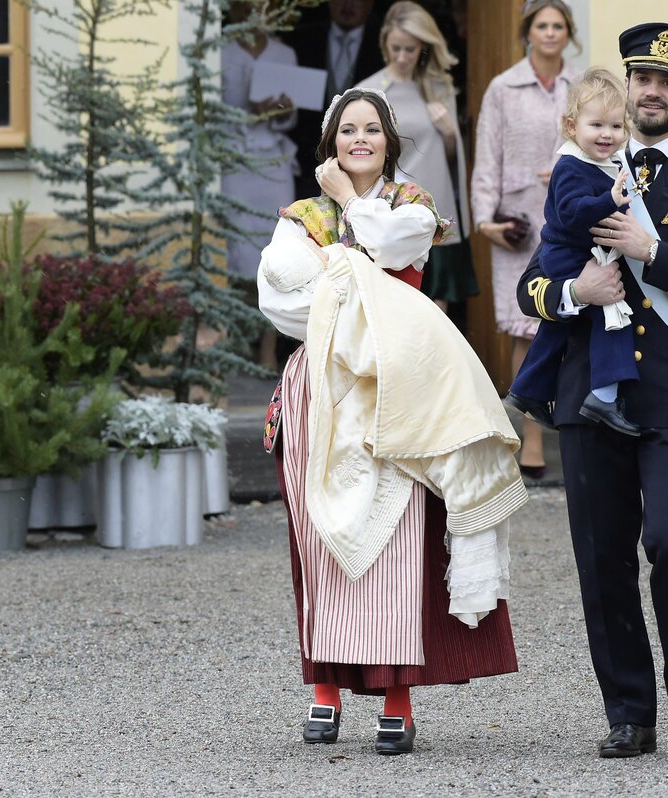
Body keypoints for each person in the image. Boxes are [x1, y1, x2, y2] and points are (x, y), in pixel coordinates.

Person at [258, 87, 525, 756]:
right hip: (322, 387)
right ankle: (324, 693)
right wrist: (354, 276)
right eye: (346, 130)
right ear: (329, 143)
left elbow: (389, 247)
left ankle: (397, 703)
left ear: (389, 141)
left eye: (370, 129)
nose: (358, 140)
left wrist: (344, 237)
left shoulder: (414, 206)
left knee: (396, 544)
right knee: (322, 543)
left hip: (399, 386)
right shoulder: (298, 217)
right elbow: (278, 300)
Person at [516, 23, 668, 758]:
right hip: (590, 391)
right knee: (602, 555)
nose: (650, 91)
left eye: (666, 82)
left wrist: (656, 251)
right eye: (640, 78)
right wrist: (575, 292)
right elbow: (532, 287)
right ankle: (630, 713)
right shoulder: (580, 166)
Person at [471, 0, 579, 479]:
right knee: (526, 327)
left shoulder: (582, 87)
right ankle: (527, 435)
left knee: (571, 322)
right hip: (518, 220)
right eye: (542, 25)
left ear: (568, 33)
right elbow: (486, 154)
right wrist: (483, 219)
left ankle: (580, 426)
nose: (550, 33)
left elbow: (607, 139)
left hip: (573, 220)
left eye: (558, 26)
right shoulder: (503, 87)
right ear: (528, 33)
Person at [505, 67, 638, 435]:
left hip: (576, 253)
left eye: (616, 126)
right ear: (570, 126)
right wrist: (608, 200)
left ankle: (526, 391)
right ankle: (604, 396)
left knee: (555, 329)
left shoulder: (604, 163)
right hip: (567, 256)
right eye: (597, 125)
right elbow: (571, 213)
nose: (607, 135)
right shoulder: (570, 165)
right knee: (611, 316)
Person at [358, 1, 478, 316]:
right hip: (391, 212)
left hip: (435, 209)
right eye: (395, 48)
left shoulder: (440, 86)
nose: (402, 57)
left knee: (436, 312)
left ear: (423, 46)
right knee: (392, 307)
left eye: (410, 49)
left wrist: (450, 133)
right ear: (384, 43)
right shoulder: (367, 92)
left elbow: (452, 161)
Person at [220, 1, 298, 366]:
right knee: (238, 251)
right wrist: (246, 113)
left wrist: (282, 110)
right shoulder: (219, 51)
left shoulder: (285, 53)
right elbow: (210, 114)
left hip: (274, 162)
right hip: (234, 162)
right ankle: (236, 342)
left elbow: (295, 112)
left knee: (276, 248)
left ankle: (267, 350)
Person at [285, 0, 385, 199]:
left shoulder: (383, 45)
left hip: (364, 168)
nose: (347, 5)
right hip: (308, 161)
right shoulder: (301, 40)